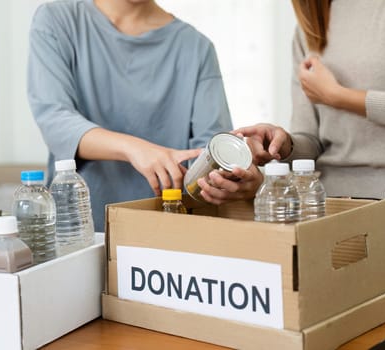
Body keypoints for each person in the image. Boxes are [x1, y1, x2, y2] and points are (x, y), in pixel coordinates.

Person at [198, 0, 385, 299]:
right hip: (323, 212)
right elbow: (313, 139)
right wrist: (283, 143)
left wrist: (339, 96)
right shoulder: (311, 20)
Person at [27, 0, 233, 232]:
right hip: (77, 233)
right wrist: (134, 149)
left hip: (166, 232)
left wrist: (237, 172)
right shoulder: (57, 20)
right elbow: (54, 120)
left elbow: (211, 152)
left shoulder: (197, 48)